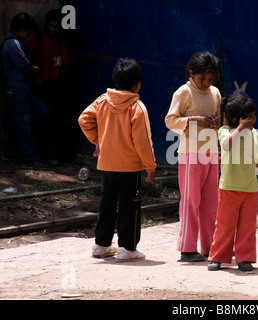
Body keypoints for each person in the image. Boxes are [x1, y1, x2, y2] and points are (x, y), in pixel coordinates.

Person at [78, 58, 156, 262]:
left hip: (107, 163)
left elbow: (83, 119)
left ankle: (101, 245)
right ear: (137, 84)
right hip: (130, 167)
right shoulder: (137, 108)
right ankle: (127, 248)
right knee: (130, 206)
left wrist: (98, 140)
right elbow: (143, 141)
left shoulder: (102, 101)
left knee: (107, 203)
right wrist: (150, 166)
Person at [165, 51, 222, 262]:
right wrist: (194, 120)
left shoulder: (215, 92)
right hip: (190, 154)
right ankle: (187, 248)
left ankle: (209, 247)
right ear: (191, 73)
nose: (207, 82)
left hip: (211, 153)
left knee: (210, 203)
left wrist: (216, 122)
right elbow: (170, 121)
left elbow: (218, 116)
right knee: (191, 201)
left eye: (210, 78)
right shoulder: (183, 92)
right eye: (202, 78)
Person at [207, 94, 258, 272]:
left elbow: (257, 157)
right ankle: (217, 257)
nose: (254, 120)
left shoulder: (254, 133)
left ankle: (245, 258)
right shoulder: (224, 131)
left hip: (250, 188)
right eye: (250, 117)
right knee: (225, 225)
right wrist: (240, 128)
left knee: (247, 227)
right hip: (229, 187)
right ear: (237, 119)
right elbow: (226, 145)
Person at [2, 12, 57, 167]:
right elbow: (25, 67)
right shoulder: (12, 44)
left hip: (23, 88)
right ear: (22, 29)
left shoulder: (17, 43)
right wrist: (37, 71)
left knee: (42, 113)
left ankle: (12, 124)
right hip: (16, 88)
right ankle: (29, 158)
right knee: (24, 123)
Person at [26, 9, 76, 163]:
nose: (53, 29)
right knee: (46, 119)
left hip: (57, 83)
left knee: (62, 119)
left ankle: (66, 155)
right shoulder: (38, 38)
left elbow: (66, 60)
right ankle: (50, 155)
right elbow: (27, 59)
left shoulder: (62, 40)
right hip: (42, 84)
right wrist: (35, 77)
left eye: (56, 27)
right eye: (51, 26)